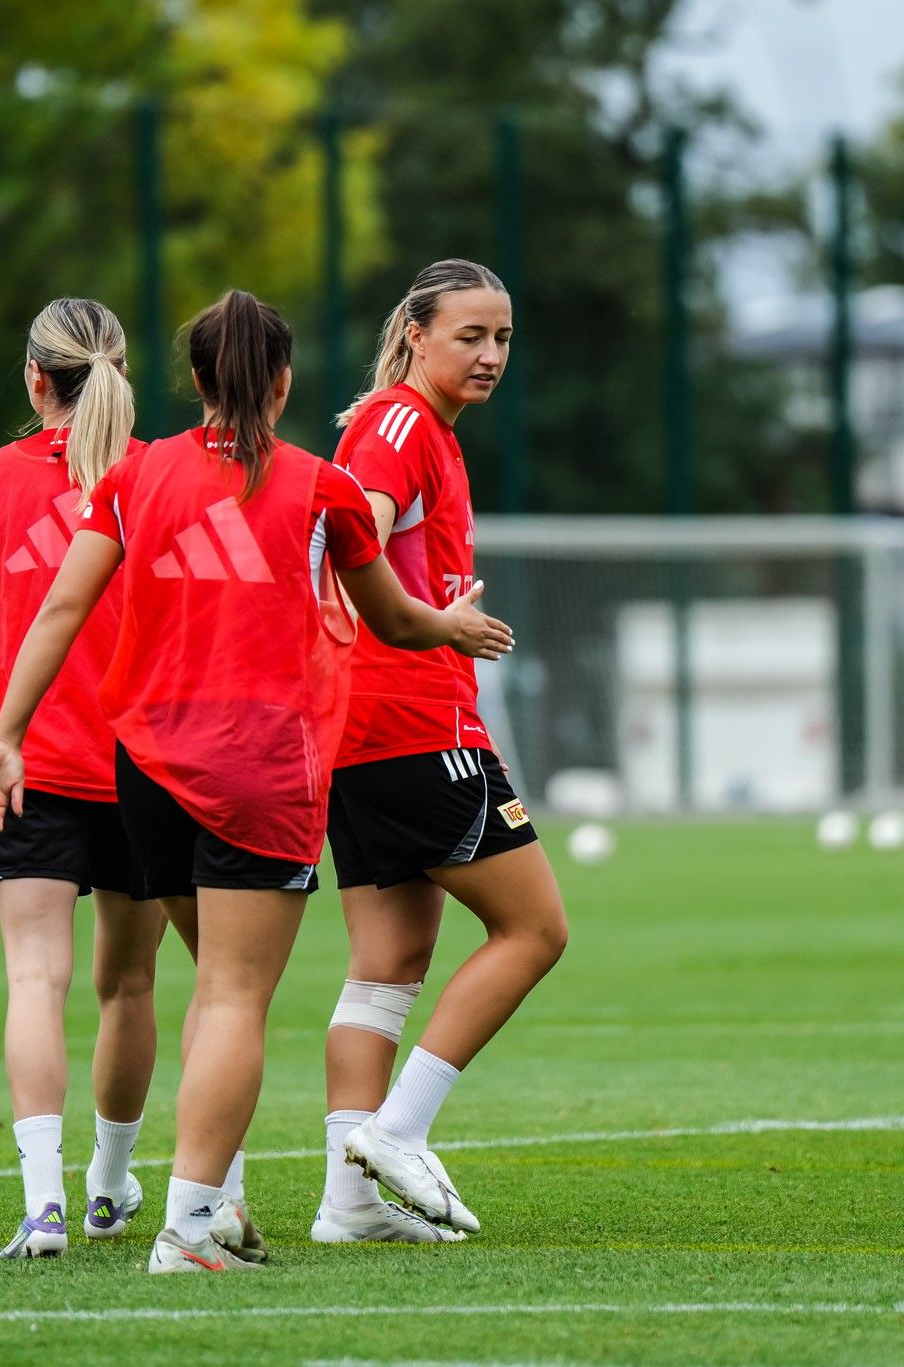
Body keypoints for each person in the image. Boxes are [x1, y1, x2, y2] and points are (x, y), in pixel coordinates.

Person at [0, 290, 514, 1274]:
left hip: (144, 766)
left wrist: (6, 732)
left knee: (200, 983)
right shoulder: (320, 485)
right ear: (282, 380)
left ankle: (209, 1202)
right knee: (230, 995)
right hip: (260, 767)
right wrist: (455, 624)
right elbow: (392, 619)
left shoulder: (135, 476)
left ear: (193, 379)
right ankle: (186, 1229)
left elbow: (57, 609)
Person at [314, 260, 570, 1242]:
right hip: (414, 723)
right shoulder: (398, 426)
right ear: (416, 332)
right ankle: (401, 1130)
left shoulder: (420, 431)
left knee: (386, 963)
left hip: (361, 734)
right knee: (535, 929)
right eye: (470, 335)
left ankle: (349, 1204)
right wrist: (437, 624)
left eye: (502, 337)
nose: (491, 354)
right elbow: (351, 543)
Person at [0, 299, 167, 1258]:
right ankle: (112, 1186)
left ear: (34, 377)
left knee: (33, 979)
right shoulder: (164, 477)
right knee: (128, 986)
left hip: (29, 759)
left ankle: (42, 1206)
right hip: (143, 764)